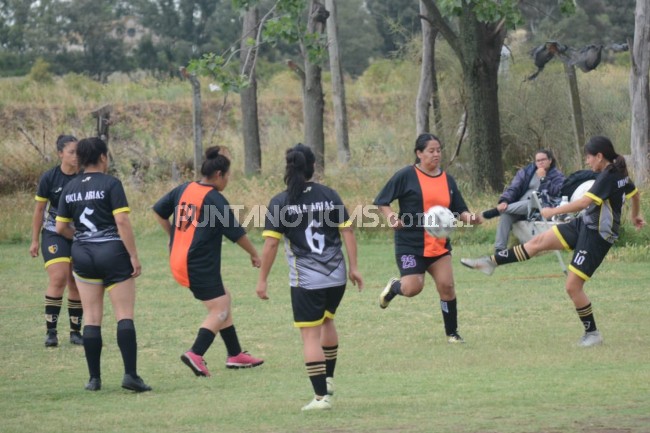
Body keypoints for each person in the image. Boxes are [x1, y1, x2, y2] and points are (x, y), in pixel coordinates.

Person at [461, 136, 645, 347]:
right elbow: (635, 193)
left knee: (572, 287)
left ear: (599, 156)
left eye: (588, 157)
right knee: (538, 242)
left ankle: (592, 334)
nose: (587, 161)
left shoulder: (608, 176)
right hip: (584, 225)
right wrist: (635, 215)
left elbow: (584, 202)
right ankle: (490, 262)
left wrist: (552, 211)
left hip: (597, 237)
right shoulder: (617, 172)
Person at [255, 144, 364, 411]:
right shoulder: (329, 194)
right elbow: (347, 232)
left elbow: (270, 246)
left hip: (307, 281)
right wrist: (354, 268)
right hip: (336, 276)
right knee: (327, 322)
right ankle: (328, 379)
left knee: (310, 337)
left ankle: (320, 398)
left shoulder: (281, 202)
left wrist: (262, 280)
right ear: (313, 167)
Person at [152, 146, 264, 378]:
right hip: (197, 264)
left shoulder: (184, 189)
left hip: (183, 259)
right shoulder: (214, 199)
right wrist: (254, 253)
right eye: (228, 176)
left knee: (224, 298)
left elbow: (159, 211)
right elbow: (236, 233)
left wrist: (173, 236)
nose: (228, 181)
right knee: (219, 310)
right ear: (219, 174)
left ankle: (235, 354)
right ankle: (195, 353)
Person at [55, 137, 151, 392]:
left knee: (92, 317)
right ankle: (130, 375)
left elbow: (60, 227)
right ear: (103, 158)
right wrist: (133, 255)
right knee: (124, 314)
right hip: (112, 253)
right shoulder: (112, 184)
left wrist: (80, 239)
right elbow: (122, 223)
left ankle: (94, 379)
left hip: (83, 255)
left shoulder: (70, 187)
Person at [373, 133, 482, 344]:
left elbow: (460, 209)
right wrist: (391, 217)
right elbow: (382, 201)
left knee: (447, 286)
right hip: (410, 244)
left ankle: (452, 333)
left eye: (439, 150)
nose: (436, 155)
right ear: (419, 153)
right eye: (431, 151)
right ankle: (395, 286)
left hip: (439, 245)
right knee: (413, 288)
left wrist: (471, 218)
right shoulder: (406, 175)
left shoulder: (447, 179)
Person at [30, 135, 84, 347]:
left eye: (78, 152)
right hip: (54, 232)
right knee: (59, 277)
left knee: (76, 281)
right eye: (71, 152)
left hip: (78, 234)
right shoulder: (49, 177)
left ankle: (75, 332)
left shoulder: (83, 177)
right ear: (60, 153)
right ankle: (51, 332)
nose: (76, 156)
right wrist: (34, 239)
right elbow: (39, 210)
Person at [481, 149, 565, 253]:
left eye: (543, 160)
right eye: (538, 160)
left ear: (550, 160)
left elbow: (557, 192)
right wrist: (505, 200)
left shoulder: (557, 175)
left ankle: (496, 211)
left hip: (540, 208)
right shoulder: (527, 172)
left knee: (530, 202)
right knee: (506, 215)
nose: (540, 162)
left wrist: (543, 178)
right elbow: (514, 188)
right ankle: (499, 250)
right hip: (520, 207)